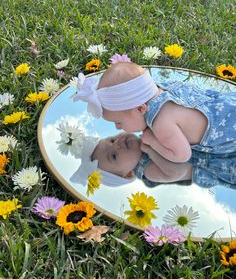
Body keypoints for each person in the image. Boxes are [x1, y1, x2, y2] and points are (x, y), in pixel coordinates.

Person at [73, 62, 236, 187]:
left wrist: (151, 144)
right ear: (128, 174)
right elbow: (176, 170)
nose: (117, 142)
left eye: (118, 123)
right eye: (114, 156)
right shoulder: (160, 91)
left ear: (140, 108)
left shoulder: (161, 124)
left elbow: (182, 156)